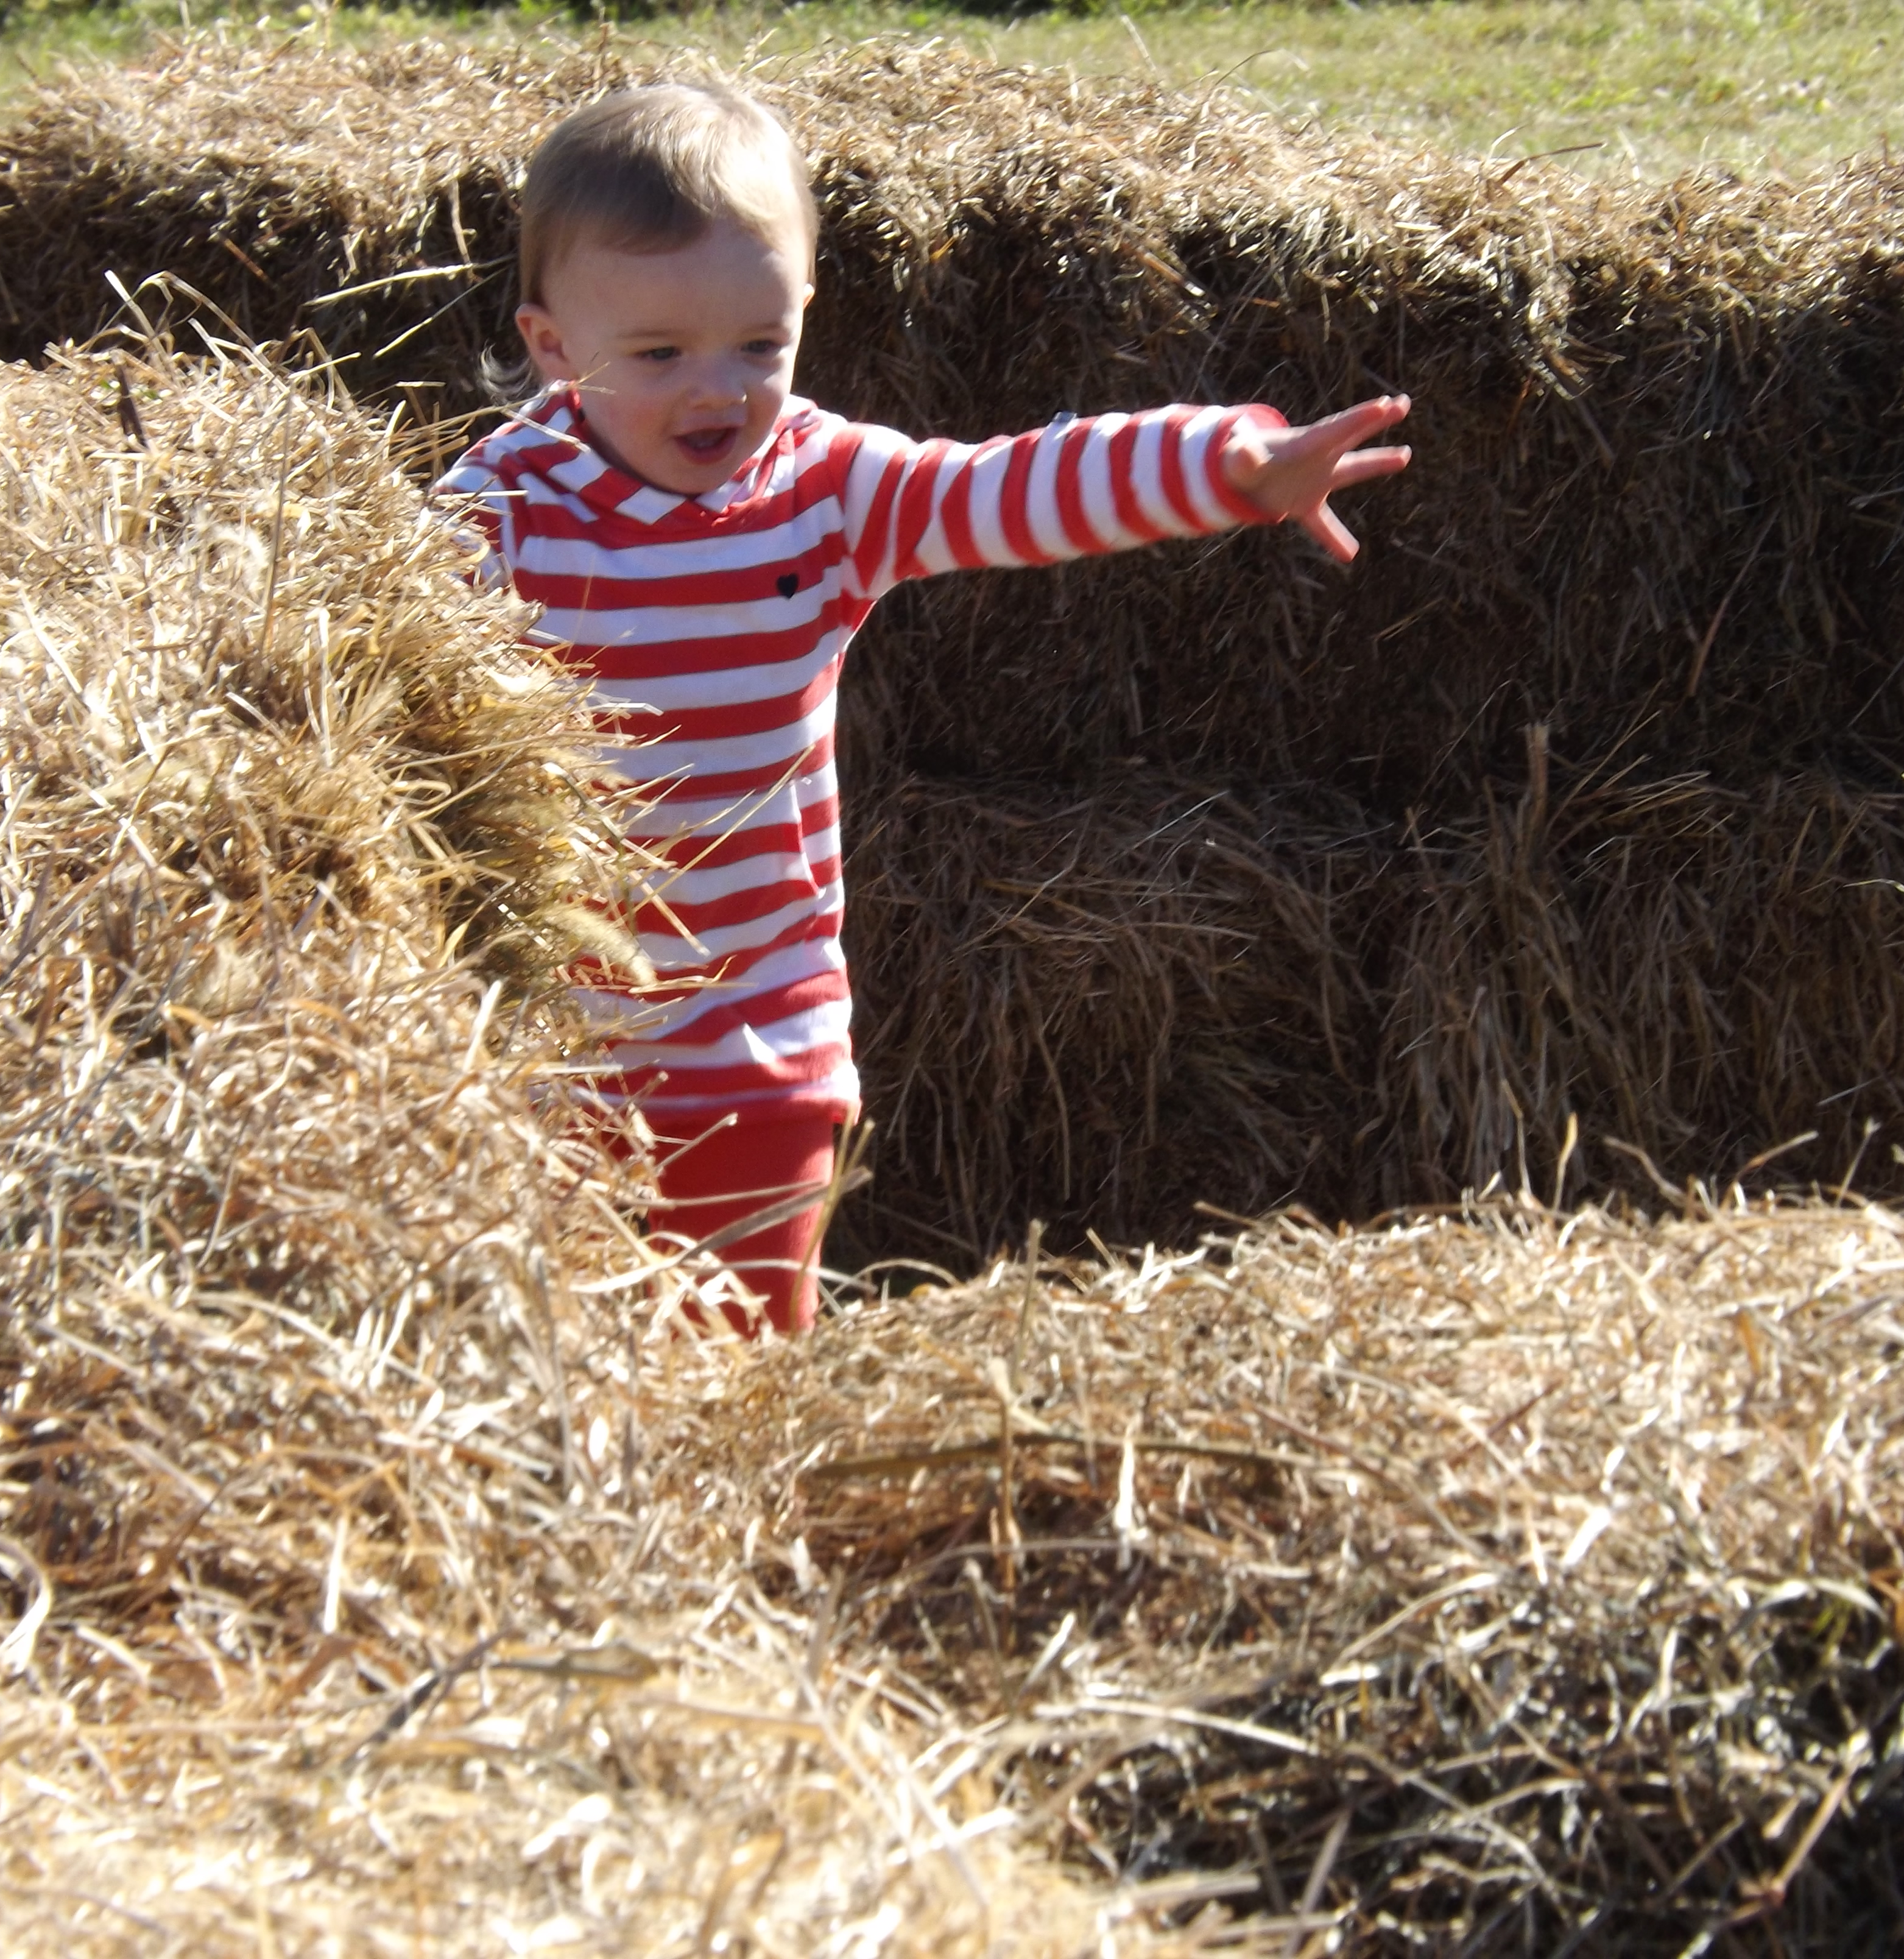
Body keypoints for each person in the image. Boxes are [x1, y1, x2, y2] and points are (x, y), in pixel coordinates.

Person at [436, 80, 1411, 1335]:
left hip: (759, 1056)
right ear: (553, 346)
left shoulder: (822, 491)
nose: (717, 391)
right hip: (544, 1063)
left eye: (759, 345)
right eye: (661, 354)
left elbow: (1015, 485)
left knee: (733, 1380)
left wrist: (1227, 465)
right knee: (555, 1381)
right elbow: (357, 674)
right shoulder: (495, 515)